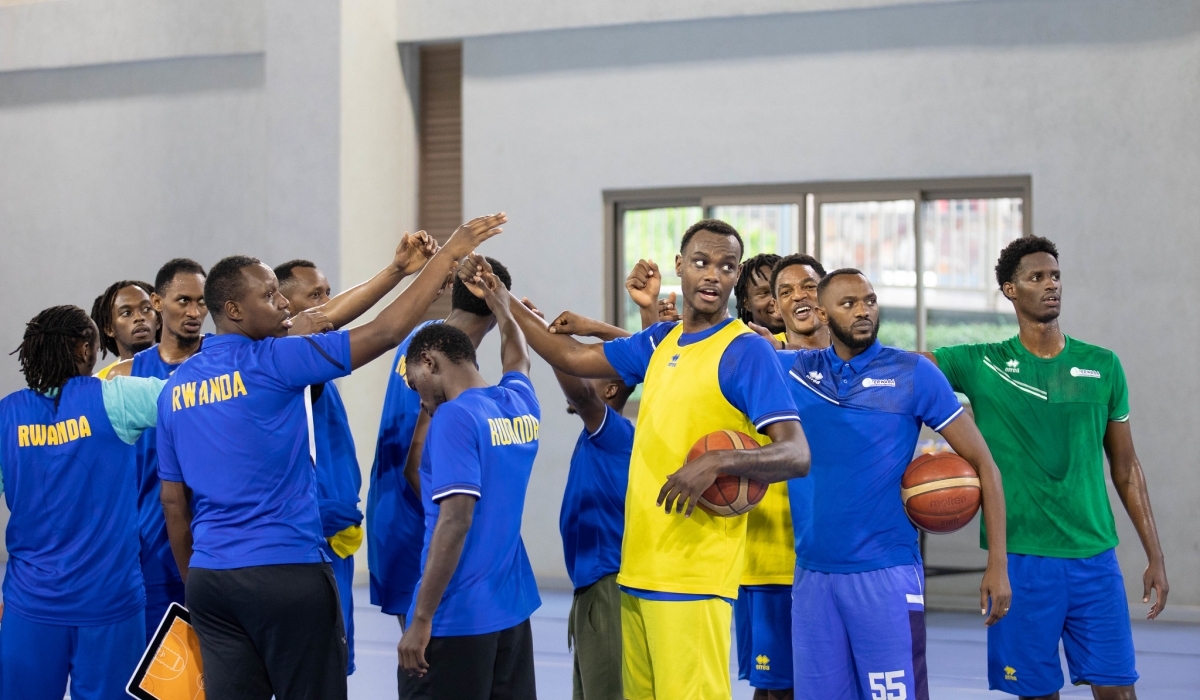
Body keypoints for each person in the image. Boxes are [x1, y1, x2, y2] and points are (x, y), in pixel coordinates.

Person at [156, 214, 505, 699]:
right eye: (270, 296)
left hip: (212, 580)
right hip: (287, 571)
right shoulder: (274, 362)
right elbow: (386, 332)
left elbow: (174, 505)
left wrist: (195, 581)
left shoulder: (174, 390)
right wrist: (449, 252)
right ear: (233, 309)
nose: (283, 303)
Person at [478, 218, 811, 700]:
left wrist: (718, 462)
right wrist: (500, 297)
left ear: (736, 275)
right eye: (701, 262)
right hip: (636, 570)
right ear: (680, 265)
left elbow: (796, 452)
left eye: (726, 266)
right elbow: (570, 356)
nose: (712, 274)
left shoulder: (746, 350)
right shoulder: (660, 342)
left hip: (695, 575)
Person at [926, 237, 1167, 700]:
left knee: (1119, 691)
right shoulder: (981, 362)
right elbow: (905, 368)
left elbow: (1127, 468)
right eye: (1036, 277)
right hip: (1020, 561)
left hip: (1095, 559)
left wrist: (1154, 555)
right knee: (1036, 694)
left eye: (1055, 275)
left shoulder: (1103, 365)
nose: (1050, 284)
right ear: (1010, 290)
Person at [780, 268, 1010, 700]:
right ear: (823, 315)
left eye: (869, 300)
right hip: (812, 576)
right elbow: (717, 358)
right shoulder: (793, 371)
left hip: (885, 573)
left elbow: (985, 464)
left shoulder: (912, 373)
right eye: (849, 304)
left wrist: (997, 563)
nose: (863, 311)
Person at [275, 246, 444, 675]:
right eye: (315, 296)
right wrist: (404, 272)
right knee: (315, 671)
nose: (326, 305)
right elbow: (385, 330)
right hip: (308, 542)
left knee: (329, 666)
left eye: (328, 292)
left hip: (333, 536)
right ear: (282, 306)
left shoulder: (309, 368)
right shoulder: (288, 366)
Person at [0, 305, 166, 700]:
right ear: (84, 349)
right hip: (110, 603)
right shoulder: (118, 398)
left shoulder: (5, 416)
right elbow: (193, 398)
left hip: (30, 604)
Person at [397, 256, 542, 699]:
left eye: (415, 382)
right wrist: (503, 307)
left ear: (428, 361)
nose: (420, 398)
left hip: (456, 616)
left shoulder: (454, 417)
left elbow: (456, 520)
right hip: (512, 612)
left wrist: (422, 618)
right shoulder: (519, 401)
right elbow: (518, 355)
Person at [366, 256, 512, 645]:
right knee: (430, 660)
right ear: (496, 305)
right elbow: (416, 465)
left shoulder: (424, 336)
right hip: (420, 531)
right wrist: (452, 528)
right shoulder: (448, 369)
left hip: (390, 517)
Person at [526, 301, 635, 700]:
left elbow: (581, 391)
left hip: (608, 589)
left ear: (610, 389)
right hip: (591, 588)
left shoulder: (614, 434)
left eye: (590, 366)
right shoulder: (596, 438)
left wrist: (542, 331)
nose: (579, 367)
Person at [105, 258, 209, 641]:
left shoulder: (226, 360)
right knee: (157, 669)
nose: (194, 312)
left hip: (220, 545)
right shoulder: (123, 377)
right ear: (159, 302)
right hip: (151, 552)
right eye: (184, 301)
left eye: (201, 302)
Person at [89, 280, 160, 378]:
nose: (139, 317)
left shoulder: (181, 368)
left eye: (146, 309)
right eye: (127, 313)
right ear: (109, 329)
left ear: (158, 320)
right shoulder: (101, 381)